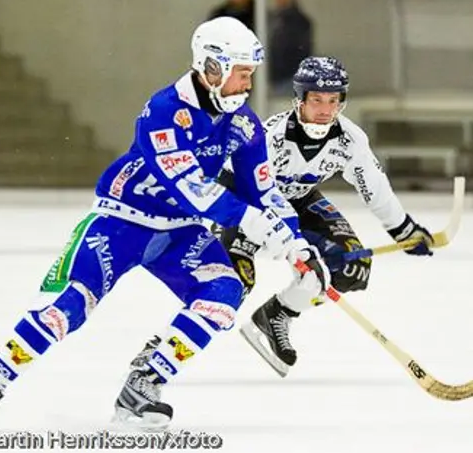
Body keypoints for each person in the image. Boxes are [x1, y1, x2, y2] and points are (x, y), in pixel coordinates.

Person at [0, 18, 329, 431]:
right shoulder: (163, 112)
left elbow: (264, 191)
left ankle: (144, 385)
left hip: (179, 231)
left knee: (224, 293)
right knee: (70, 307)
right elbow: (194, 190)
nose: (248, 84)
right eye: (242, 74)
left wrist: (296, 242)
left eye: (251, 74)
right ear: (212, 68)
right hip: (121, 222)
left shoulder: (243, 124)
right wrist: (257, 226)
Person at [129, 56, 434, 378]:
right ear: (299, 99)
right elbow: (258, 194)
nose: (325, 110)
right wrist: (294, 245)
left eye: (333, 101)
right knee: (232, 283)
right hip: (246, 206)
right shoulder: (271, 136)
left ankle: (278, 314)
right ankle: (159, 346)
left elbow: (374, 187)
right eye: (316, 100)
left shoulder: (351, 141)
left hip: (301, 202)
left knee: (351, 266)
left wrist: (403, 230)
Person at [268, 0, 313, 95]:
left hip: (288, 77)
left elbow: (301, 50)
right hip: (275, 78)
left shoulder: (299, 21)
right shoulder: (273, 18)